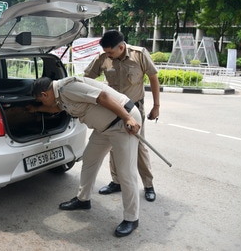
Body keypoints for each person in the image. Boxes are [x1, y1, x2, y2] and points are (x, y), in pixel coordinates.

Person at [28, 76, 143, 237]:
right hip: (103, 128)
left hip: (121, 123)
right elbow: (57, 109)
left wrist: (127, 118)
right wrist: (36, 109)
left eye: (40, 101)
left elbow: (103, 97)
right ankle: (83, 200)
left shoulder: (67, 88)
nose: (42, 103)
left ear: (44, 94)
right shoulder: (58, 96)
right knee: (89, 159)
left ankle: (132, 218)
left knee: (126, 173)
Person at [83, 30, 160, 202]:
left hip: (134, 109)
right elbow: (87, 78)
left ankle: (148, 185)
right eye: (106, 52)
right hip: (112, 110)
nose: (107, 55)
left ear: (121, 46)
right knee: (114, 144)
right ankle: (116, 181)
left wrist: (156, 106)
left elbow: (154, 78)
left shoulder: (139, 55)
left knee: (139, 147)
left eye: (110, 52)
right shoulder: (103, 58)